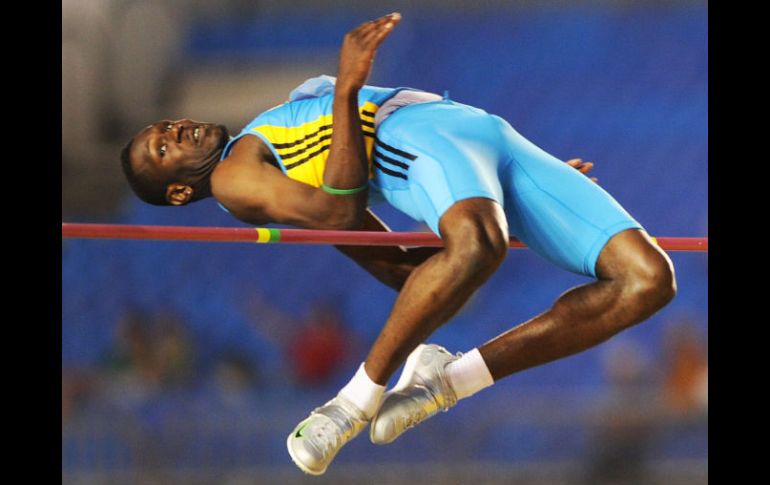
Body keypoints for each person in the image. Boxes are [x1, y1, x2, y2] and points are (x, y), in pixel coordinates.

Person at [120, 12, 676, 476]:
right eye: (161, 149)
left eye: (165, 126)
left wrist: (515, 210)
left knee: (647, 280)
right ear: (178, 192)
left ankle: (448, 380)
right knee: (479, 242)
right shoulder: (232, 176)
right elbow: (340, 212)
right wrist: (346, 88)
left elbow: (405, 271)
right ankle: (350, 404)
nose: (174, 130)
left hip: (489, 141)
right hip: (427, 140)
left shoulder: (277, 156)